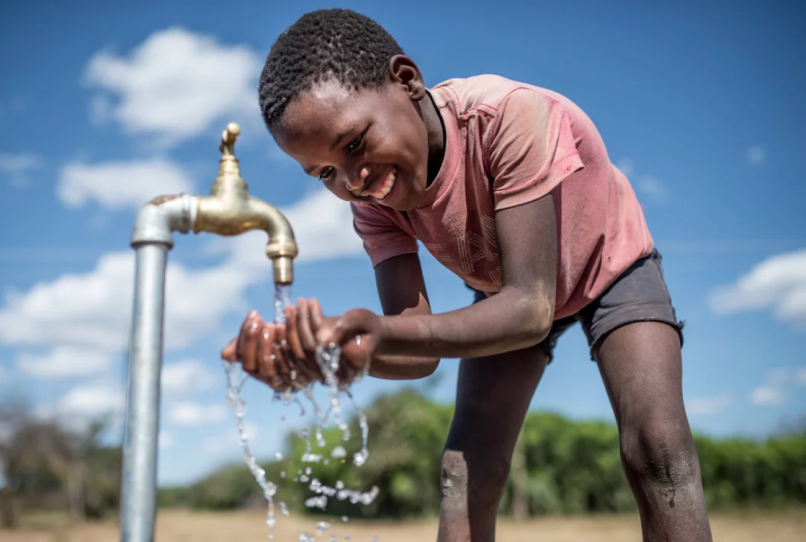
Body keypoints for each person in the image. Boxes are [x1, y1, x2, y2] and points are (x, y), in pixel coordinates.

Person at [222, 8, 713, 542]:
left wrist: (378, 331)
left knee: (657, 448)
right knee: (464, 472)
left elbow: (531, 310)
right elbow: (419, 352)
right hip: (504, 295)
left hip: (609, 266)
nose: (352, 181)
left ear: (406, 81)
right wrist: (328, 356)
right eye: (325, 174)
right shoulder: (374, 202)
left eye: (355, 144)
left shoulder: (508, 117)